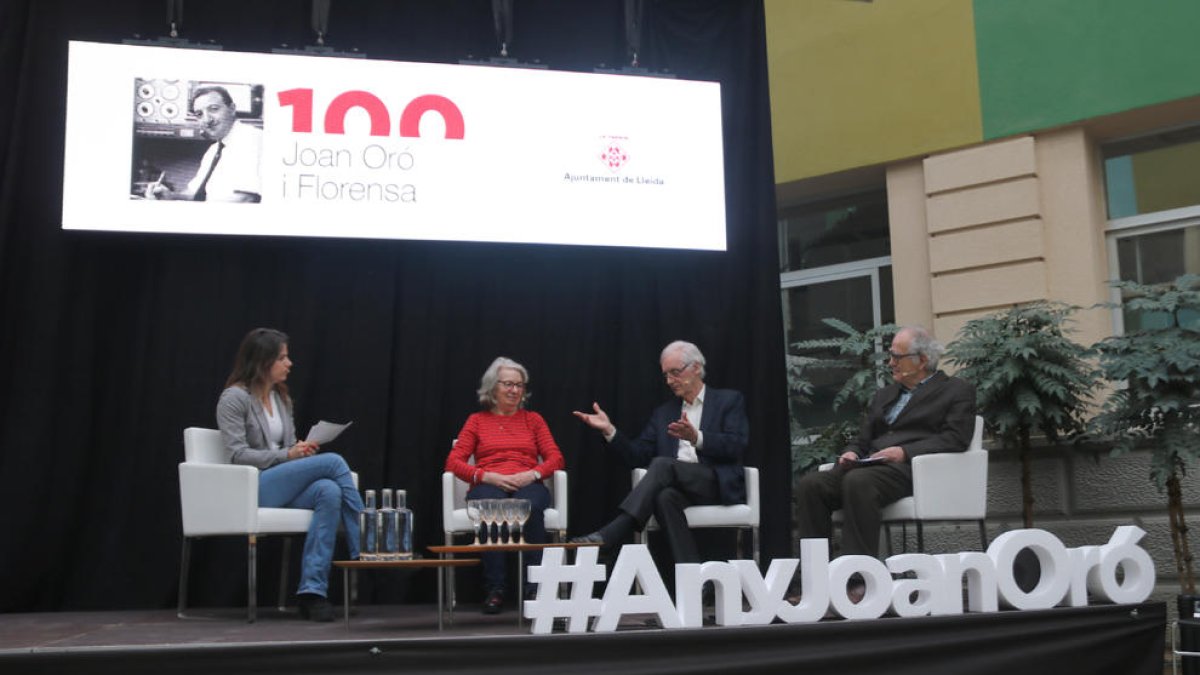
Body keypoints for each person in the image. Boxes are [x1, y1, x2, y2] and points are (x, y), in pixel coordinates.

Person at [793, 325, 976, 591]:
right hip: (870, 465)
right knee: (812, 485)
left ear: (922, 360)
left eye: (897, 357)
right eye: (891, 356)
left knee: (858, 481)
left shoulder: (956, 391)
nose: (890, 363)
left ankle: (857, 581)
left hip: (911, 469)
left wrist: (903, 452)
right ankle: (813, 582)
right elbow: (863, 439)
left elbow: (956, 438)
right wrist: (852, 452)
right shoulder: (884, 395)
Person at [215, 328, 362, 622]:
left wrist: (300, 449)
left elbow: (287, 446)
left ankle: (312, 594)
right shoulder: (234, 398)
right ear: (262, 360)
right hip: (253, 485)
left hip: (281, 481)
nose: (289, 363)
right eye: (282, 357)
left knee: (329, 491)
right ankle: (367, 545)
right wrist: (287, 455)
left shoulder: (281, 399)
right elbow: (236, 454)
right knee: (334, 462)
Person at [572, 340, 749, 567]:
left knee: (663, 464)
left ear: (696, 367)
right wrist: (609, 430)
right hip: (679, 487)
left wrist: (696, 437)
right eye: (666, 375)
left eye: (675, 372)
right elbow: (636, 455)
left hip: (715, 483)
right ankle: (692, 575)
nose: (669, 381)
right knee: (663, 497)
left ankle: (612, 535)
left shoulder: (728, 400)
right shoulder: (664, 414)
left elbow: (736, 444)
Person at [445, 357, 565, 614]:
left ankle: (535, 588)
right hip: (490, 481)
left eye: (519, 385)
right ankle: (495, 589)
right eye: (508, 384)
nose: (514, 390)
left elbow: (556, 458)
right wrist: (486, 476)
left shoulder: (533, 420)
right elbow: (453, 463)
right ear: (493, 387)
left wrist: (532, 474)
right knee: (489, 506)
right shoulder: (477, 421)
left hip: (527, 481)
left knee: (531, 505)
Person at [145, 85, 262, 202]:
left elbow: (244, 199)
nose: (206, 119)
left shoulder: (252, 139)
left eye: (214, 109)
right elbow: (194, 193)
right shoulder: (214, 150)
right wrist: (170, 197)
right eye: (199, 114)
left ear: (232, 109)